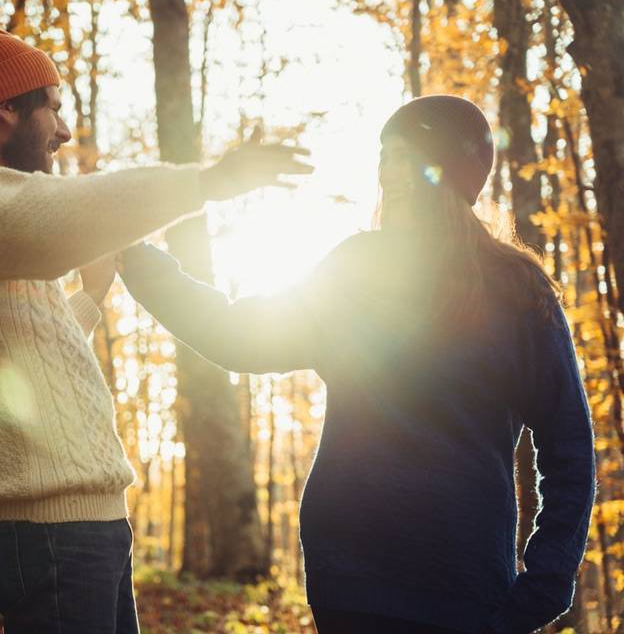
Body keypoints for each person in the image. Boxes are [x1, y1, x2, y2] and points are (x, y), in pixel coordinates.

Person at [117, 95, 596, 634]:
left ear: (437, 166)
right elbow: (239, 335)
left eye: (398, 154)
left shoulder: (515, 289)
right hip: (351, 580)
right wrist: (135, 258)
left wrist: (545, 585)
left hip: (465, 590)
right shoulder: (357, 266)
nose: (384, 170)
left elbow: (570, 448)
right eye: (382, 155)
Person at [0, 24, 309, 634]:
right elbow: (55, 223)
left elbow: (20, 352)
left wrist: (89, 300)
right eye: (54, 109)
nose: (63, 132)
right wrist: (208, 182)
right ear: (6, 108)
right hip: (45, 531)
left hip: (76, 525)